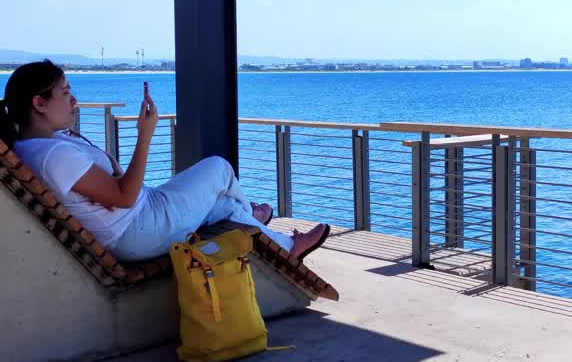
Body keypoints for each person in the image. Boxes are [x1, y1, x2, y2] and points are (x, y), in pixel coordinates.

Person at [0, 61, 330, 264]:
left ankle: (279, 240)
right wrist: (145, 135)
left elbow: (110, 180)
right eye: (65, 93)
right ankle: (254, 216)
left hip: (134, 221)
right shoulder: (55, 155)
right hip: (137, 229)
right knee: (219, 168)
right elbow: (124, 196)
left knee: (223, 207)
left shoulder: (38, 145)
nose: (75, 100)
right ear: (39, 102)